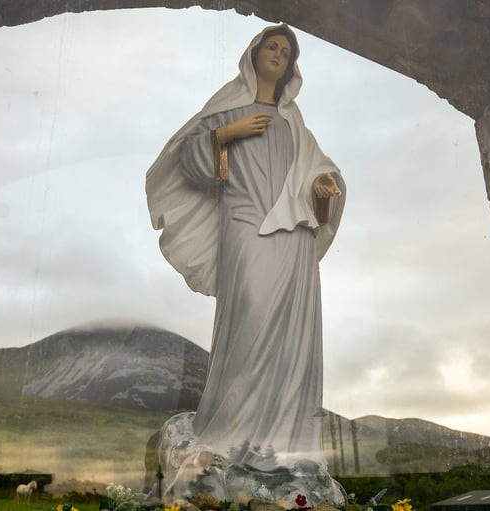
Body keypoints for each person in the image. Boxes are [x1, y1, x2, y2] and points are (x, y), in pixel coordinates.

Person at [146, 24, 346, 507]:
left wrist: (323, 189)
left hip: (295, 240)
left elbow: (324, 176)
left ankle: (286, 442)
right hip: (245, 226)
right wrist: (225, 134)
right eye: (270, 47)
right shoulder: (228, 108)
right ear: (253, 54)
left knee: (294, 339)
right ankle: (231, 433)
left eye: (285, 50)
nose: (277, 54)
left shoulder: (297, 124)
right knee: (250, 323)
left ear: (292, 65)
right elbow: (190, 160)